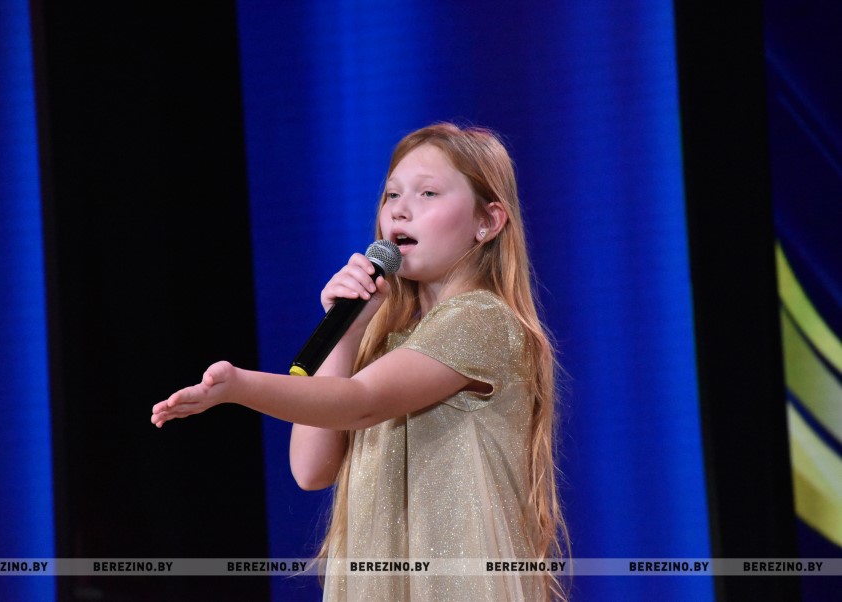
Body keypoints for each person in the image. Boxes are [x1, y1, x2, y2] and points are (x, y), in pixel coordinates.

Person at [152, 122, 568, 601]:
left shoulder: (481, 320)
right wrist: (347, 331)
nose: (400, 210)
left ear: (488, 222)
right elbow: (311, 469)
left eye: (428, 193)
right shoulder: (389, 342)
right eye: (392, 195)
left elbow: (360, 401)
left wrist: (239, 386)